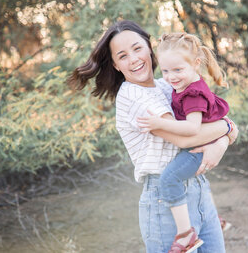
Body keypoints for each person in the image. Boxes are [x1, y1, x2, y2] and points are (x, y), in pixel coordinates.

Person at [67, 20, 237, 253]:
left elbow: (207, 121)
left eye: (137, 49)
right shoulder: (133, 97)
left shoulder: (167, 84)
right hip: (165, 198)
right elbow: (186, 139)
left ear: (149, 48)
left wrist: (222, 140)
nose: (134, 59)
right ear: (116, 65)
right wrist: (227, 129)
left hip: (198, 191)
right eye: (123, 56)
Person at [136, 32, 237, 252]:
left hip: (199, 146)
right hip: (207, 141)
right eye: (165, 71)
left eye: (177, 70)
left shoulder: (192, 94)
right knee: (187, 178)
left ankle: (186, 234)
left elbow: (192, 128)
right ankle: (209, 217)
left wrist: (158, 124)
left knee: (169, 179)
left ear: (196, 64)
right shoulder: (184, 84)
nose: (171, 77)